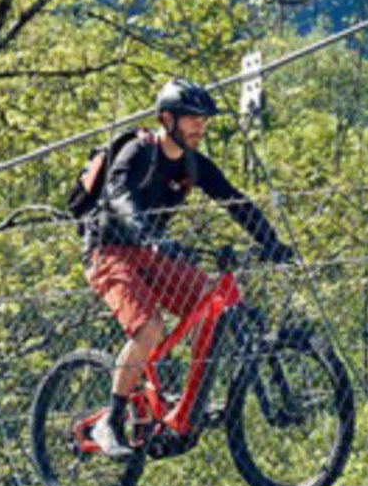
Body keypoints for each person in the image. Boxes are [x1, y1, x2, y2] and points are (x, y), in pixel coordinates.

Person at [84, 78, 293, 457]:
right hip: (109, 251)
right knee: (149, 327)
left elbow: (235, 202)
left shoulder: (195, 165)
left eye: (204, 119)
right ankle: (109, 421)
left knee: (211, 303)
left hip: (151, 252)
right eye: (192, 118)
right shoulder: (139, 151)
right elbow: (119, 196)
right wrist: (148, 234)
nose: (200, 126)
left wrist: (271, 243)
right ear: (167, 119)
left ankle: (185, 409)